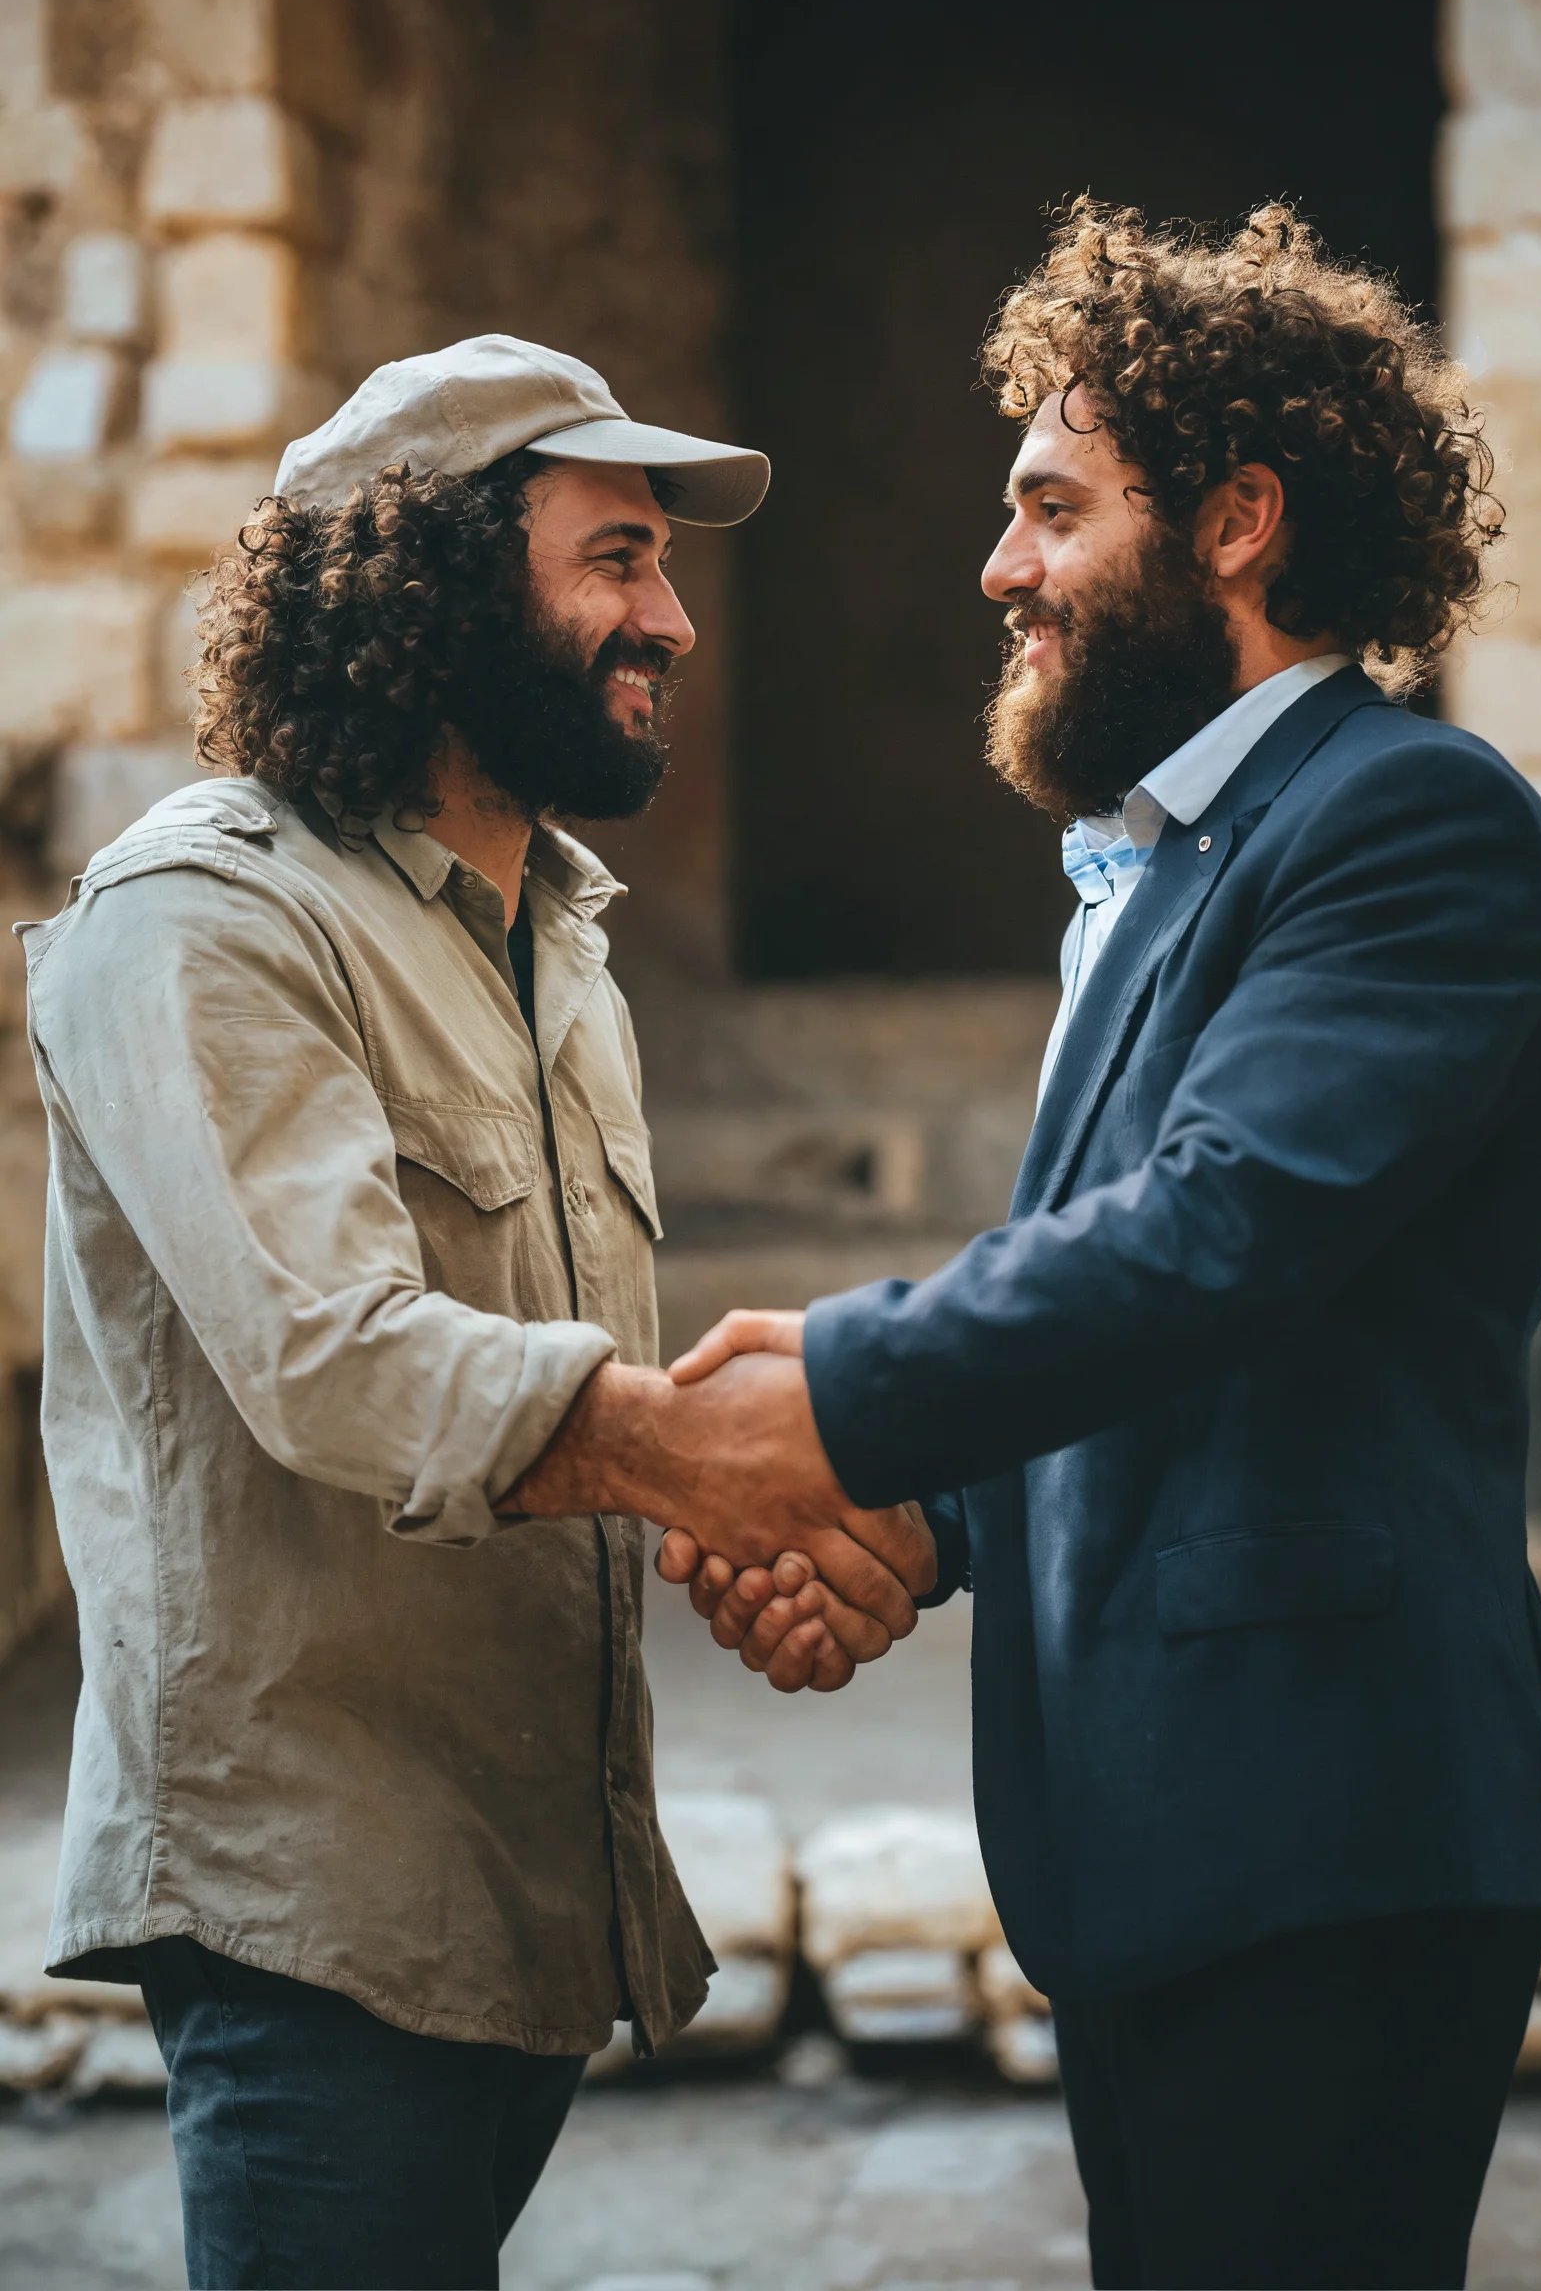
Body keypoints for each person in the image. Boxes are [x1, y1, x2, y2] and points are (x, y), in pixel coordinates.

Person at [646, 206, 1541, 2289]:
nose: (1001, 570)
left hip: (1325, 1828)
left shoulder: (1407, 824)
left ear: (1239, 519)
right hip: (1183, 1836)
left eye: (1052, 511)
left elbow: (1217, 1238)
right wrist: (918, 1538)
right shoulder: (1177, 865)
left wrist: (826, 1402)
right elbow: (1187, 1345)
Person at [20, 332, 929, 2291]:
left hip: (518, 1893)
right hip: (312, 1917)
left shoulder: (556, 937)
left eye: (662, 568)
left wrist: (761, 1512)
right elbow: (336, 1358)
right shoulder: (202, 917)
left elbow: (573, 1405)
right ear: (426, 575)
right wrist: (739, 1466)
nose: (670, 617)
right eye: (613, 557)